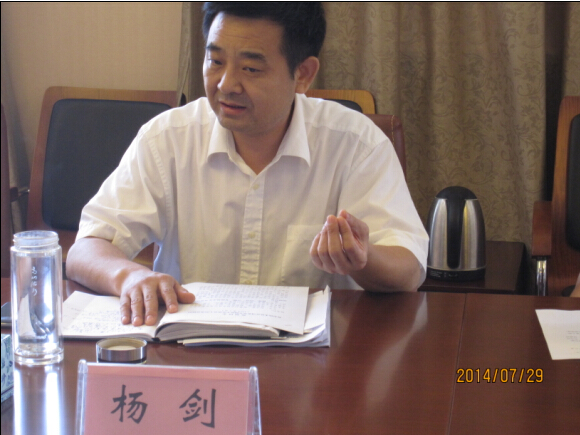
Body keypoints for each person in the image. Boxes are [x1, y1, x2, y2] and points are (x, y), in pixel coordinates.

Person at [66, 2, 429, 326]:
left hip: (316, 364)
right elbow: (86, 248)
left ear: (303, 74)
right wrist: (129, 276)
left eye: (251, 68)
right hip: (193, 357)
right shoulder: (168, 139)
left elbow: (409, 268)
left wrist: (362, 258)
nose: (226, 84)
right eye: (215, 61)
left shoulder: (356, 145)